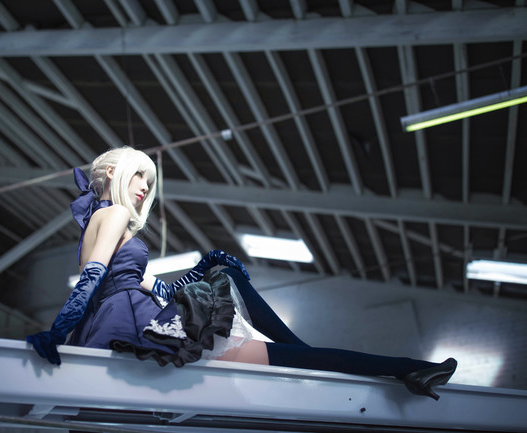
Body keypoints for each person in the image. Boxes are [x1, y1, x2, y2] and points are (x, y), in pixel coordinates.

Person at [27, 146, 457, 401]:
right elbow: (93, 278)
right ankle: (406, 368)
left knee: (252, 309)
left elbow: (144, 286)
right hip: (138, 325)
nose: (144, 186)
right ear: (111, 173)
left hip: (125, 320)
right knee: (293, 350)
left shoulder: (94, 223)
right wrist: (57, 331)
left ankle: (403, 368)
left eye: (148, 180)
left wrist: (200, 269)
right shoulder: (116, 214)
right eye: (139, 174)